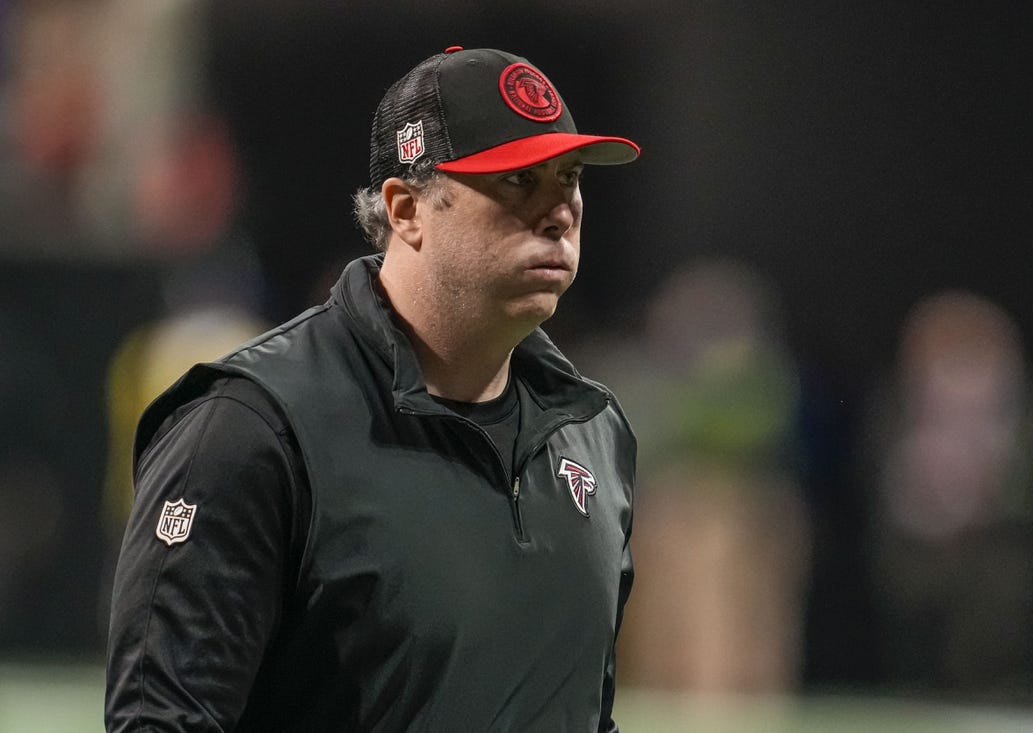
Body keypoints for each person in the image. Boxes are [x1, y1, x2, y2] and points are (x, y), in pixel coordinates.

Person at [104, 46, 640, 731]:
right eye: (515, 181)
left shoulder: (593, 433)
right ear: (406, 208)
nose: (559, 211)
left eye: (568, 176)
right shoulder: (254, 428)